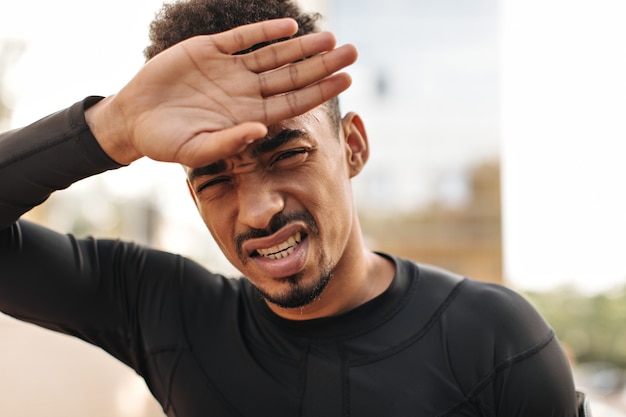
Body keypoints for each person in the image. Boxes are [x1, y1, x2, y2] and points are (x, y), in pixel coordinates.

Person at [0, 0, 586, 416]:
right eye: (215, 181)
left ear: (351, 146)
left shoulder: (493, 340)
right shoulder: (163, 311)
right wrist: (112, 127)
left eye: (287, 155)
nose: (257, 212)